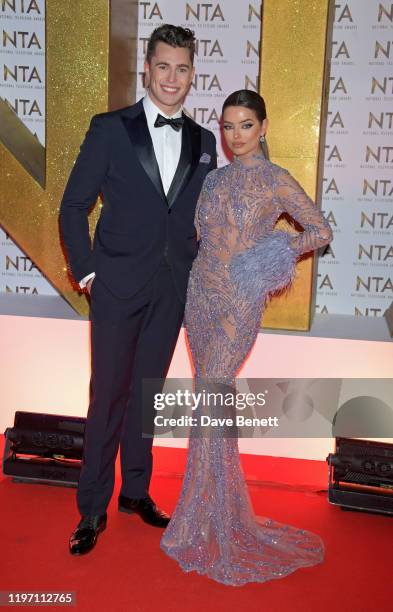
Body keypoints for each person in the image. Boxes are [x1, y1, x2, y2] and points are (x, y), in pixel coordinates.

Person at [160, 90, 333, 585]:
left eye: (246, 126)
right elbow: (201, 236)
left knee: (212, 389)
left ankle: (213, 514)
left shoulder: (277, 181)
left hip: (240, 297)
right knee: (205, 395)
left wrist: (270, 257)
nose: (236, 136)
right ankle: (208, 510)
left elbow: (320, 230)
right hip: (202, 293)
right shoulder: (213, 179)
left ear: (264, 127)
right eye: (229, 126)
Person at [59, 24, 217, 556]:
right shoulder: (110, 128)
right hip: (117, 286)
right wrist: (86, 271)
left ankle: (136, 492)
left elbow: (201, 218)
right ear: (146, 68)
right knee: (108, 397)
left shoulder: (204, 142)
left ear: (192, 74)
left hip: (172, 289)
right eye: (163, 66)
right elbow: (73, 206)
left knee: (146, 398)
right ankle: (91, 510)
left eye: (183, 68)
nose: (172, 78)